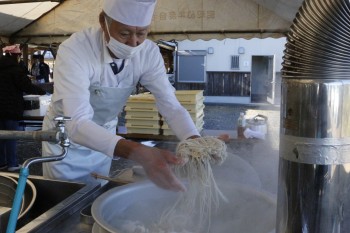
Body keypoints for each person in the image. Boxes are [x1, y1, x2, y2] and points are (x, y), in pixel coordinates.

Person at [42, 0, 228, 191]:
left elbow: (170, 105)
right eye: (124, 33)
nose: (133, 42)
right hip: (66, 143)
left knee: (97, 190)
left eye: (141, 33)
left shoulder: (148, 53)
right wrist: (138, 152)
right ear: (103, 22)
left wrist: (193, 140)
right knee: (65, 198)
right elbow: (77, 123)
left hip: (105, 136)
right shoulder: (75, 50)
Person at [0, 44, 46, 171]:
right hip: (11, 108)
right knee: (11, 136)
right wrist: (42, 92)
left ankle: (2, 162)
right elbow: (26, 86)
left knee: (1, 136)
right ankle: (12, 164)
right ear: (15, 56)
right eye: (19, 55)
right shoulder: (15, 69)